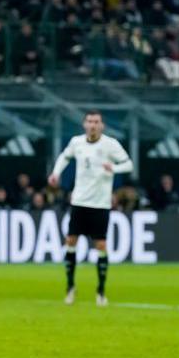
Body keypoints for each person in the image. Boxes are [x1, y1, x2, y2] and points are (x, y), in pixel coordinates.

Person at [48, 111, 133, 307]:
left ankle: (101, 291)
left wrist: (114, 168)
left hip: (100, 204)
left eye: (96, 122)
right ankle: (70, 287)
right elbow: (65, 156)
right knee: (70, 241)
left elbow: (128, 164)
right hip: (79, 201)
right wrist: (55, 173)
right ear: (84, 125)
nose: (92, 125)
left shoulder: (110, 144)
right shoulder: (77, 142)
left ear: (102, 126)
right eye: (89, 121)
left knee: (101, 245)